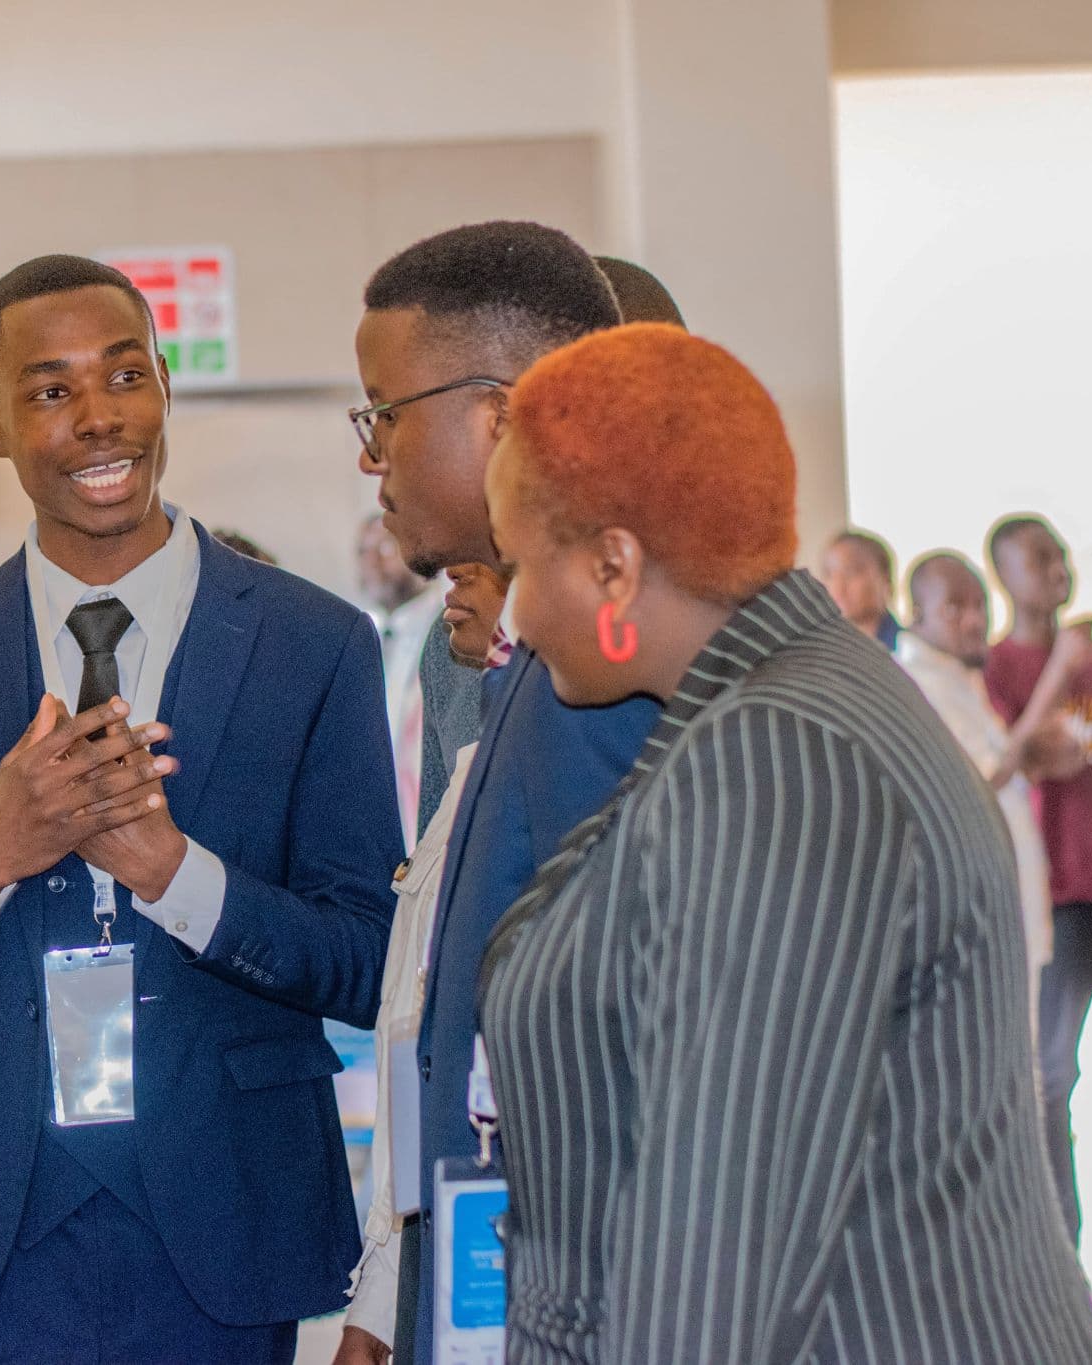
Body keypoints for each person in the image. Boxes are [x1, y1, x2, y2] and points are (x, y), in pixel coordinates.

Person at [475, 322, 1092, 1363]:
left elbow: (714, 1263)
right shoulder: (789, 700)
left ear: (613, 566)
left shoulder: (775, 757)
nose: (512, 614)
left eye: (517, 566)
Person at [0, 254, 400, 1364]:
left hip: (226, 1224)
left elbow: (367, 962)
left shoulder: (314, 645)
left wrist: (175, 875)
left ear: (163, 386)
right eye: (48, 392)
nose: (99, 420)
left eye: (124, 376)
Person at [350, 219, 655, 1365]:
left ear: (498, 413)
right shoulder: (521, 657)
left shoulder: (608, 672)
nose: (370, 455)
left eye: (384, 413)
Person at [335, 560, 505, 1365]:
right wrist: (383, 1282)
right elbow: (419, 1000)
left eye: (391, 424)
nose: (375, 457)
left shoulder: (623, 694)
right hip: (445, 1209)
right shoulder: (451, 651)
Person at [986, 513, 1092, 1243]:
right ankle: (1057, 1243)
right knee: (1052, 1077)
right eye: (1039, 557)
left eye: (1061, 554)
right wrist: (1059, 670)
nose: (1058, 567)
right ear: (1003, 572)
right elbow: (1010, 761)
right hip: (1055, 901)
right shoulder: (996, 668)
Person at [900, 551, 1075, 1011]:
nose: (974, 619)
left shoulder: (961, 676)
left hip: (1013, 908)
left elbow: (1007, 772)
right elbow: (987, 776)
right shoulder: (917, 682)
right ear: (916, 615)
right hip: (975, 927)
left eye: (980, 604)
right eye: (954, 607)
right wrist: (1059, 671)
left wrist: (1041, 757)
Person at [357, 512, 449, 843]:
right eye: (362, 550)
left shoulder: (449, 629)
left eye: (384, 546)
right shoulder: (364, 635)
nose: (371, 560)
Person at [820, 527, 902, 650]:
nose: (838, 586)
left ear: (886, 581)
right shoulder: (823, 651)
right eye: (829, 574)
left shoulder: (909, 652)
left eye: (851, 572)